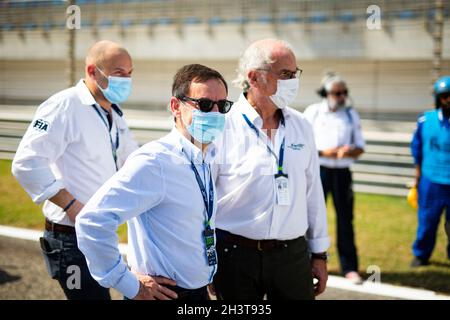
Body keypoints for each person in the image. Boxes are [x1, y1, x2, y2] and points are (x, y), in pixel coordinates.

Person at [75, 64, 233, 300]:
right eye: (205, 105)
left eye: (223, 106)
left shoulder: (207, 156)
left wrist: (207, 272)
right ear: (175, 107)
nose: (215, 113)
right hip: (162, 294)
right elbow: (92, 222)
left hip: (197, 292)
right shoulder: (155, 161)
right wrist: (128, 283)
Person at [11, 40, 139, 299]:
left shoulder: (114, 113)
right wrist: (73, 207)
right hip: (70, 238)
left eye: (129, 73)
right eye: (118, 73)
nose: (126, 80)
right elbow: (26, 162)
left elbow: (133, 161)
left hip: (101, 234)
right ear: (93, 71)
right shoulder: (63, 106)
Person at [211, 39, 329, 300]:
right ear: (254, 77)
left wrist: (319, 253)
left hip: (292, 256)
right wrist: (205, 259)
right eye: (285, 74)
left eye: (295, 73)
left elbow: (313, 193)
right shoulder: (222, 126)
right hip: (234, 256)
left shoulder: (302, 126)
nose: (293, 81)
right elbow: (203, 200)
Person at [304, 72, 365, 284]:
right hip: (319, 170)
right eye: (337, 93)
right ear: (326, 93)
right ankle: (304, 262)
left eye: (344, 93)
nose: (341, 97)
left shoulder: (351, 114)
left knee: (345, 220)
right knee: (309, 218)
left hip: (342, 173)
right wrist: (325, 152)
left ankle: (350, 267)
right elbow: (304, 145)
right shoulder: (313, 113)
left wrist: (349, 151)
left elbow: (360, 148)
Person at [410, 75, 450, 267]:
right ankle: (421, 254)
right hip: (431, 182)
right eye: (445, 96)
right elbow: (417, 151)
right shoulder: (426, 120)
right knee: (427, 222)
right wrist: (417, 180)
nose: (449, 100)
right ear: (439, 98)